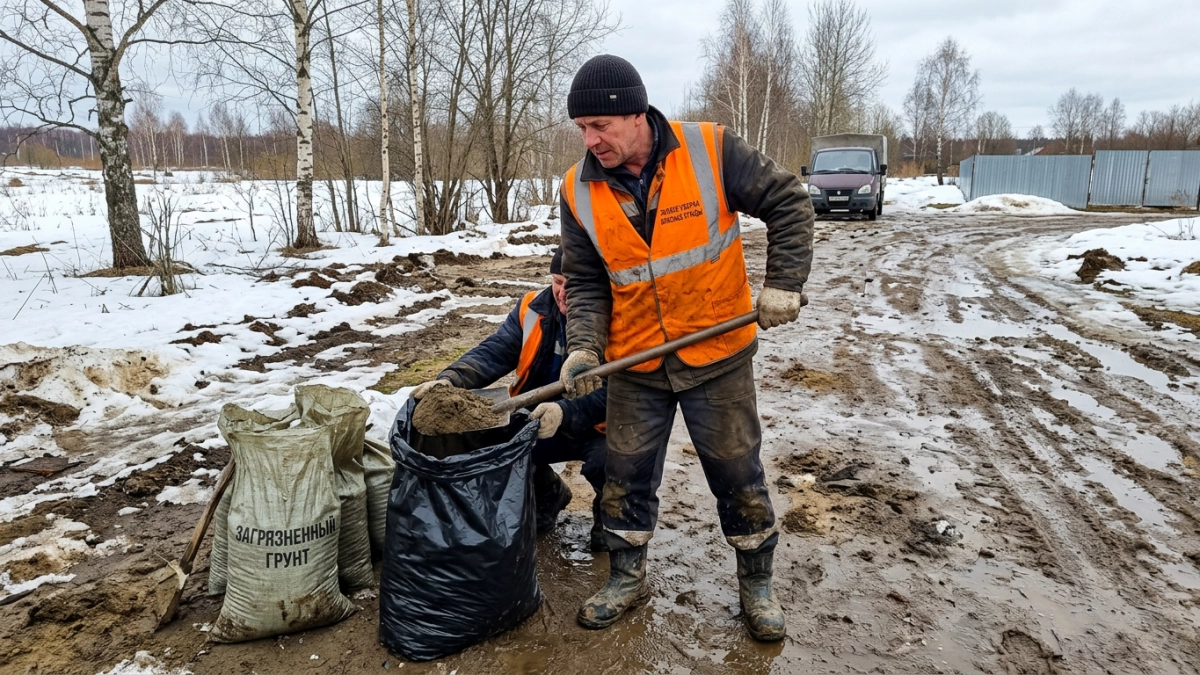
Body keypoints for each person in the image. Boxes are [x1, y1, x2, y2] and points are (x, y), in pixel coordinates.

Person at [556, 54, 813, 642]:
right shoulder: (577, 189)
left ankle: (756, 583)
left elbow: (789, 202)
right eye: (582, 130)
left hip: (715, 352)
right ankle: (626, 576)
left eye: (601, 126)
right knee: (624, 475)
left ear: (637, 113)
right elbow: (589, 280)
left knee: (736, 470)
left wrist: (784, 284)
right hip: (636, 362)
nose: (591, 140)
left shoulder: (709, 150)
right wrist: (586, 347)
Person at [411, 249, 609, 550]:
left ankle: (611, 525)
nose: (563, 292)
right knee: (499, 445)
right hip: (538, 418)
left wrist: (566, 412)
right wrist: (449, 380)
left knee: (619, 460)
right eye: (557, 281)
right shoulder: (532, 308)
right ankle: (548, 493)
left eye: (574, 284)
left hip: (599, 426)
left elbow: (620, 392)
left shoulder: (619, 318)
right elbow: (494, 351)